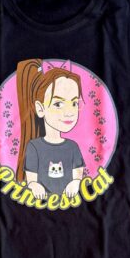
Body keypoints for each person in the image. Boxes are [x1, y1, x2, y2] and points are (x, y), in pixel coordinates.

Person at [15, 58, 86, 200]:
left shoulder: (73, 146)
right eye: (58, 104)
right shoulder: (33, 146)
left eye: (74, 103)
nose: (69, 112)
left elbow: (78, 175)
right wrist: (34, 186)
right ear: (40, 109)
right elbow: (31, 180)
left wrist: (76, 183)